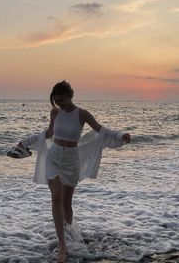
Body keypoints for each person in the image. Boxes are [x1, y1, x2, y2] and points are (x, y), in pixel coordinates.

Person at [18, 81, 130, 262]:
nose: (59, 104)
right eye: (56, 101)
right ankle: (62, 246)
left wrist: (120, 136)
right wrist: (25, 141)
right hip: (54, 157)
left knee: (66, 203)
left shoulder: (82, 114)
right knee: (56, 197)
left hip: (71, 160)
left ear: (70, 96)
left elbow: (102, 131)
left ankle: (68, 234)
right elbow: (48, 134)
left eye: (61, 100)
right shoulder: (55, 113)